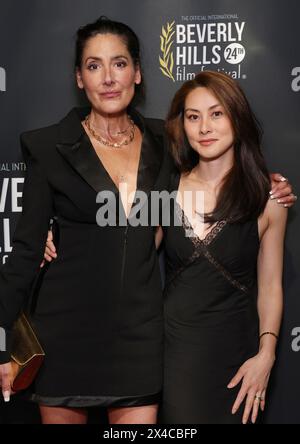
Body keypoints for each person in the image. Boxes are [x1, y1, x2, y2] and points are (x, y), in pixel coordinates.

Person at [0, 17, 172, 424]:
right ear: (80, 78)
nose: (108, 78)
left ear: (138, 73)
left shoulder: (170, 139)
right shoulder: (47, 147)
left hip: (139, 337)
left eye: (119, 63)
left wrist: (272, 183)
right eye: (94, 66)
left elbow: (222, 169)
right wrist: (3, 343)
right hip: (65, 336)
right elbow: (25, 251)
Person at [158, 71, 288, 424]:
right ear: (181, 125)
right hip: (173, 357)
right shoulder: (164, 191)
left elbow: (271, 285)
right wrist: (56, 234)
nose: (204, 128)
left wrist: (267, 354)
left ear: (236, 116)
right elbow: (126, 253)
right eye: (193, 116)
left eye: (216, 114)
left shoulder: (269, 199)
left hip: (238, 359)